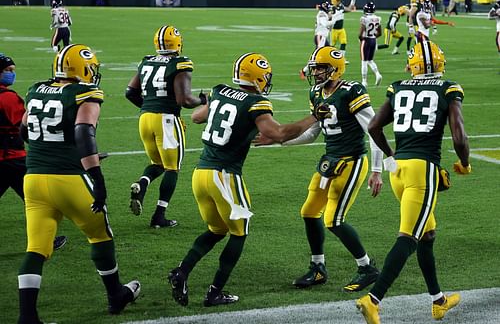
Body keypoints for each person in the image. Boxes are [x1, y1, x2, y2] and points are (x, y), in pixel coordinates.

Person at [167, 52, 319, 307]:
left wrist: (241, 128)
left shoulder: (219, 91)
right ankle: (215, 291)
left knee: (217, 230)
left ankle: (181, 272)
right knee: (239, 232)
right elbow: (279, 134)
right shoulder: (256, 103)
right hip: (225, 176)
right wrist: (314, 117)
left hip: (200, 174)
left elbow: (196, 117)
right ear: (258, 76)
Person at [17, 44, 140, 324]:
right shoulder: (85, 93)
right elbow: (84, 132)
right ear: (83, 69)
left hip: (34, 179)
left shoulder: (36, 89)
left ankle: (27, 317)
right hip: (70, 179)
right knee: (100, 236)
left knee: (36, 248)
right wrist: (97, 177)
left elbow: (25, 129)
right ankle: (115, 296)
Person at [357, 40, 470, 324]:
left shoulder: (398, 86)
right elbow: (459, 136)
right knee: (408, 238)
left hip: (398, 171)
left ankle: (438, 300)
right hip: (422, 170)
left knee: (427, 234)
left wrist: (390, 155)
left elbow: (373, 127)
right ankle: (373, 300)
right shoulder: (448, 88)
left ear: (413, 64)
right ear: (440, 64)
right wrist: (465, 164)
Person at [275, 46, 384, 293]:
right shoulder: (316, 92)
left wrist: (377, 170)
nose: (317, 73)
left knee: (333, 219)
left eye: (322, 68)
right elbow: (313, 132)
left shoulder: (351, 91)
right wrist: (280, 140)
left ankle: (367, 267)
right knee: (309, 211)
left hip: (352, 160)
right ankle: (317, 267)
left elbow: (374, 130)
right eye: (315, 68)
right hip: (330, 160)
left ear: (335, 69)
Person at [125, 25, 206, 228]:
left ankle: (142, 184)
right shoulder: (180, 63)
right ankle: (159, 216)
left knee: (157, 164)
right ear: (177, 43)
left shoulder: (146, 61)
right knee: (172, 168)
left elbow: (130, 92)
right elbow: (184, 100)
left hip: (145, 119)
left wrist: (150, 107)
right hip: (167, 120)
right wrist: (203, 101)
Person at [0, 54, 67, 251]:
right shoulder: (8, 98)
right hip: (14, 159)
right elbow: (26, 124)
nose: (12, 74)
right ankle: (46, 240)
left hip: (6, 158)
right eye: (8, 71)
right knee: (40, 202)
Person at [300, 2, 336, 80]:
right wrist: (334, 20)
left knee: (329, 53)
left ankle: (330, 71)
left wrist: (331, 18)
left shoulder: (324, 14)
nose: (329, 10)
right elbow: (325, 24)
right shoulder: (322, 14)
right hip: (320, 37)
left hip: (323, 37)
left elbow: (329, 27)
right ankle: (303, 71)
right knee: (316, 57)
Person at [359, 2, 382, 87]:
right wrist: (373, 36)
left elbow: (361, 32)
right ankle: (377, 74)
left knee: (364, 62)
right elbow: (379, 33)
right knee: (370, 60)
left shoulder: (364, 18)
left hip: (366, 40)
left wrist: (361, 39)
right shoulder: (378, 18)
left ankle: (364, 81)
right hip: (373, 39)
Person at [330, 0, 356, 64]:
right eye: (338, 1)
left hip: (341, 29)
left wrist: (353, 1)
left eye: (339, 1)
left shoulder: (341, 7)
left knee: (344, 43)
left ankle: (342, 59)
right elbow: (328, 18)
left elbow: (349, 9)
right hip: (333, 30)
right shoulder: (331, 9)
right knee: (332, 46)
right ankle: (330, 59)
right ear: (334, 1)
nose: (339, 2)